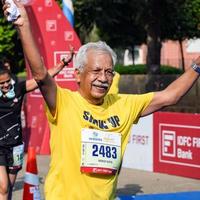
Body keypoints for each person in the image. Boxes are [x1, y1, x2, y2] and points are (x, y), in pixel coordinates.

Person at [2, 1, 200, 199]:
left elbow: (171, 95)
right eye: (96, 71)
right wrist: (23, 25)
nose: (103, 78)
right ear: (78, 75)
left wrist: (197, 66)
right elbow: (40, 74)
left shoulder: (124, 104)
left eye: (109, 72)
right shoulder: (63, 101)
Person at [0, 46, 73, 199]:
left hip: (15, 146)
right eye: (2, 84)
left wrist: (63, 64)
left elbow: (41, 79)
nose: (6, 85)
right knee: (3, 186)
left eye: (7, 81)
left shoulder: (19, 89)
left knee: (9, 188)